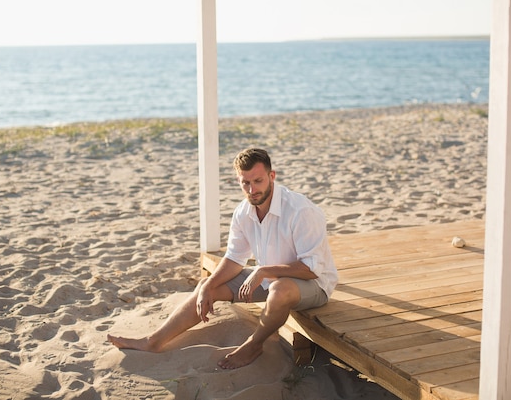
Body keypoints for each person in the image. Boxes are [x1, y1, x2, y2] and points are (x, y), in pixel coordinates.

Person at [107, 148, 338, 369]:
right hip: (270, 279)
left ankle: (253, 345)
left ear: (272, 176)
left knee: (279, 288)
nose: (252, 189)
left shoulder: (300, 211)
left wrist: (263, 271)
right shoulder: (243, 212)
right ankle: (153, 341)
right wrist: (209, 284)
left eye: (258, 181)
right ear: (238, 181)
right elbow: (235, 258)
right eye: (245, 183)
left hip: (313, 286)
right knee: (207, 286)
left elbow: (312, 268)